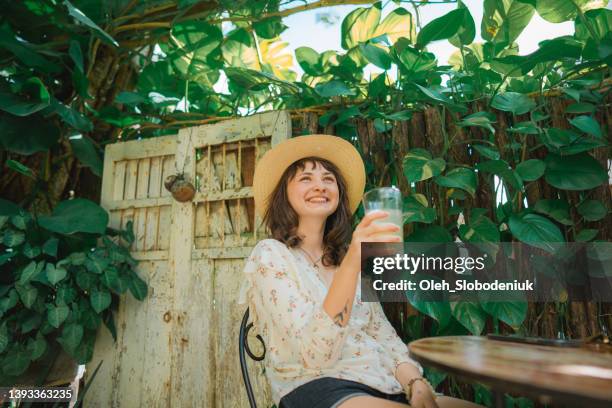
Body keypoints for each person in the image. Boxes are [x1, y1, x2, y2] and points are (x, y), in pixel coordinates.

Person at [238, 135, 482, 408]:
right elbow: (316, 356)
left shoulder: (344, 262)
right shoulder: (271, 255)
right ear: (285, 194)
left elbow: (384, 337)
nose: (320, 185)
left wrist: (416, 383)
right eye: (306, 178)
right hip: (318, 387)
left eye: (328, 179)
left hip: (384, 383)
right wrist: (355, 255)